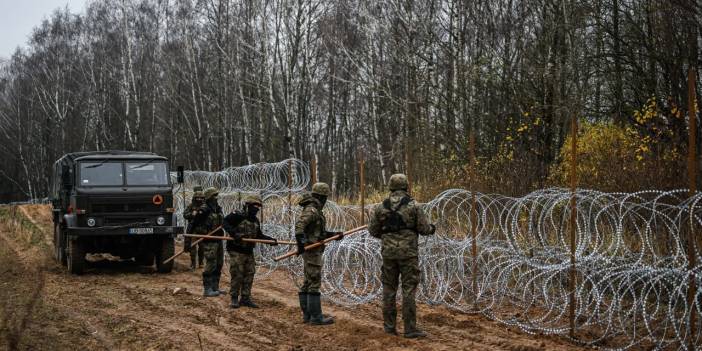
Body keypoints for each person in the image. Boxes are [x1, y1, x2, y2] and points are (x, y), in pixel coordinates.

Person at [368, 174, 436, 338]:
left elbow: (373, 231)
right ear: (406, 187)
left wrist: (388, 237)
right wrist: (432, 228)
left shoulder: (380, 207)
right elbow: (424, 229)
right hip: (408, 254)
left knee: (389, 289)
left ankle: (389, 327)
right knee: (408, 290)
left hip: (388, 254)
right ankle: (410, 329)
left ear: (391, 187)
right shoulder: (414, 206)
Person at [295, 182, 343, 325]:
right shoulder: (312, 210)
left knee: (308, 281)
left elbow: (317, 233)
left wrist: (333, 234)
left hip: (313, 249)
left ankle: (307, 315)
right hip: (312, 251)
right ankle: (316, 317)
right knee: (314, 281)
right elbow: (299, 227)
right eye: (325, 197)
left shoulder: (314, 209)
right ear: (322, 197)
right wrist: (303, 244)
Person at [223, 194, 278, 309]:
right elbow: (225, 222)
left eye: (259, 206)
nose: (257, 208)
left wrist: (270, 240)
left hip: (248, 251)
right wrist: (234, 233)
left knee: (249, 273)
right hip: (236, 250)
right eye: (255, 205)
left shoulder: (255, 220)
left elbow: (259, 235)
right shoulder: (237, 215)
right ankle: (234, 298)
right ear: (248, 205)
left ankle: (245, 298)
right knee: (237, 273)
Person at [194, 187, 225, 297]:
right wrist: (188, 241)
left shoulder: (218, 208)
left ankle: (215, 287)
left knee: (219, 263)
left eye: (217, 195)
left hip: (219, 239)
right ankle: (207, 289)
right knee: (211, 263)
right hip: (209, 240)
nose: (216, 198)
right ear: (209, 197)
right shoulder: (204, 209)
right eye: (214, 195)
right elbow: (194, 224)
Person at [182, 186, 205, 270]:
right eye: (197, 198)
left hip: (202, 229)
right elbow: (185, 215)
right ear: (194, 198)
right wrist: (192, 214)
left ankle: (201, 262)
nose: (199, 199)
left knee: (202, 247)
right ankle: (193, 263)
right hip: (193, 229)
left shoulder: (205, 206)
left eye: (201, 198)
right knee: (192, 246)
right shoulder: (191, 206)